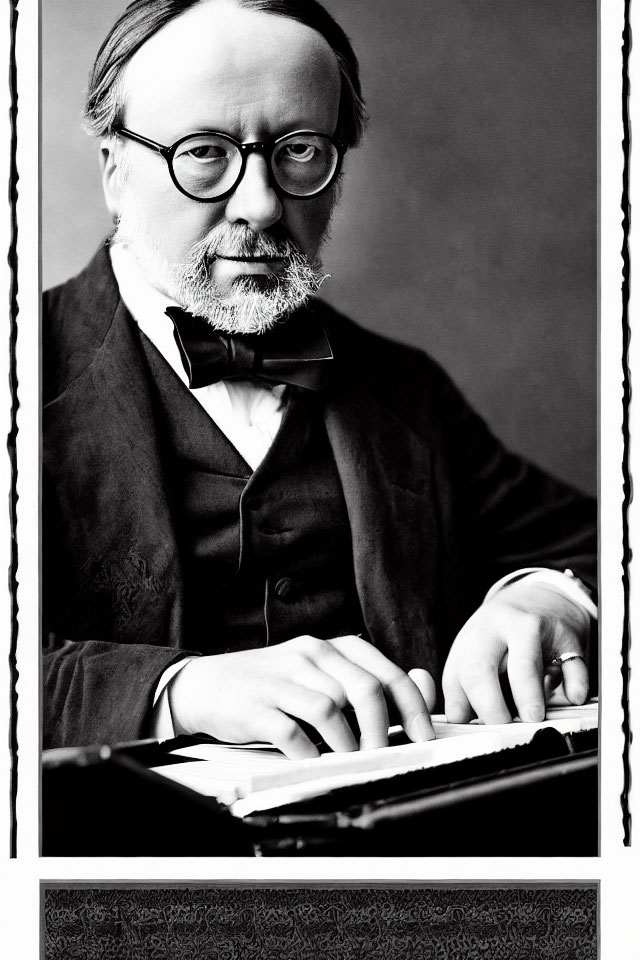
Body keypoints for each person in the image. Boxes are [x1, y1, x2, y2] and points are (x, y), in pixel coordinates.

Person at [43, 0, 597, 758]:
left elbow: (600, 546)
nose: (263, 203)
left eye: (299, 151)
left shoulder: (403, 386)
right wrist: (178, 690)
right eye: (204, 152)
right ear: (114, 170)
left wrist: (545, 596)